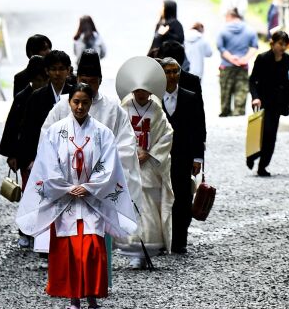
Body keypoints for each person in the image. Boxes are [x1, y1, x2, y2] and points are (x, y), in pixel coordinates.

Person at [17, 83, 138, 309]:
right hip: (66, 200)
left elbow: (109, 165)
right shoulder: (55, 131)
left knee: (92, 247)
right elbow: (47, 164)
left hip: (92, 199)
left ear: (91, 103)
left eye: (84, 102)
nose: (80, 106)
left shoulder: (103, 132)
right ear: (69, 102)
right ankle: (73, 298)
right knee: (70, 249)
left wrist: (90, 187)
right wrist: (66, 187)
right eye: (75, 102)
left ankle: (92, 297)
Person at [42, 50, 142, 211]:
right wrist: (62, 179)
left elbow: (126, 148)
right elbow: (46, 140)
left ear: (100, 81)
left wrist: (98, 179)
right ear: (76, 80)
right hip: (66, 183)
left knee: (98, 234)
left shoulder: (113, 109)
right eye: (83, 80)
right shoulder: (62, 106)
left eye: (92, 81)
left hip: (102, 185)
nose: (87, 86)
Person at [117, 58, 174, 267]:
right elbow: (118, 133)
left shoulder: (156, 108)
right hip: (130, 163)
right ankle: (133, 247)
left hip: (149, 163)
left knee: (150, 205)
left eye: (145, 90)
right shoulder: (124, 106)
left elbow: (167, 134)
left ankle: (149, 245)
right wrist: (130, 152)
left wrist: (149, 153)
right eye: (138, 89)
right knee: (131, 203)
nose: (141, 94)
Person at [161, 57, 205, 254]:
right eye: (167, 72)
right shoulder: (154, 99)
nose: (172, 76)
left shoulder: (190, 97)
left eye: (175, 71)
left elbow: (199, 128)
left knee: (183, 197)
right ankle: (161, 238)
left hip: (184, 155)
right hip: (160, 156)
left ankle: (180, 240)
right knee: (161, 196)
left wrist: (198, 157)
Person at [16, 49, 74, 176]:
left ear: (68, 71)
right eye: (53, 69)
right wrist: (31, 158)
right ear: (47, 71)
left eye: (61, 69)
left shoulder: (75, 95)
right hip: (41, 155)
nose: (57, 73)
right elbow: (28, 130)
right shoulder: (36, 97)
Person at [247, 29, 289, 177]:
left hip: (278, 102)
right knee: (263, 132)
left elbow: (286, 82)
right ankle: (252, 155)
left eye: (285, 44)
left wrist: (288, 100)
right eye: (280, 43)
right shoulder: (262, 58)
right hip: (263, 101)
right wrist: (255, 97)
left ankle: (262, 166)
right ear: (272, 43)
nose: (283, 47)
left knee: (271, 135)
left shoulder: (287, 60)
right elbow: (252, 80)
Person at [0, 55, 49, 170]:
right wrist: (12, 154)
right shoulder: (22, 98)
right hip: (26, 150)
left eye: (44, 80)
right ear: (31, 79)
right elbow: (12, 126)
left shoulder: (50, 96)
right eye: (38, 80)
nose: (41, 84)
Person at [217, 9, 258, 117]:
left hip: (226, 65)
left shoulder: (222, 30)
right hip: (243, 65)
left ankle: (225, 110)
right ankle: (239, 111)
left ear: (230, 16)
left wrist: (231, 58)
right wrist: (245, 58)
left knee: (225, 89)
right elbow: (254, 46)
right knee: (242, 88)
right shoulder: (250, 30)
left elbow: (220, 47)